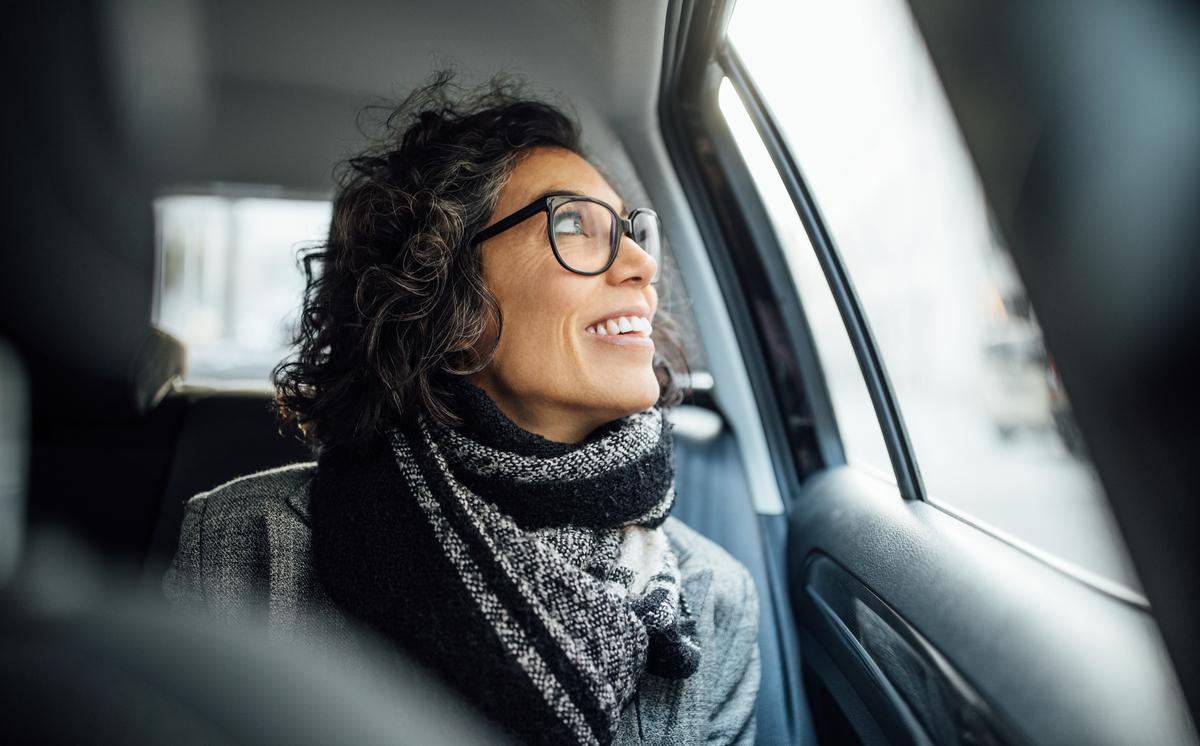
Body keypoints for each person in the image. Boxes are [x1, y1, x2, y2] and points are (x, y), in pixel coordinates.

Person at [164, 73, 760, 746]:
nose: (641, 268)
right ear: (450, 305)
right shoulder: (249, 543)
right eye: (574, 226)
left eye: (632, 232)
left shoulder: (715, 599)